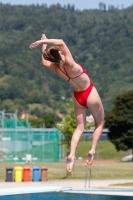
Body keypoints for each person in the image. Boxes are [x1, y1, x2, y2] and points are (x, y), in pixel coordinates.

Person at [29, 34, 104, 173]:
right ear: (61, 53)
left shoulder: (58, 68)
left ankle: (72, 154)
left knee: (79, 127)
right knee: (99, 123)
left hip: (77, 96)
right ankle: (92, 151)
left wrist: (44, 47)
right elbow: (61, 41)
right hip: (89, 92)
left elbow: (45, 62)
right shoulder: (70, 63)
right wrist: (43, 41)